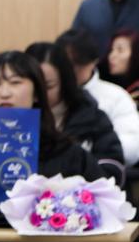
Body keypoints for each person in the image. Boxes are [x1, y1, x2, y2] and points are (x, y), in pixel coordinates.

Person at [0, 51, 104, 225]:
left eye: (15, 82)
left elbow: (98, 209)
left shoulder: (69, 154)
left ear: (36, 94)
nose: (4, 93)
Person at [25, 41, 124, 178]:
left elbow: (113, 168)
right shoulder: (14, 120)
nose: (39, 94)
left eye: (48, 86)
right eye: (35, 86)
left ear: (65, 82)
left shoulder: (91, 116)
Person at [56, 28, 139, 166]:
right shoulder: (49, 94)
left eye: (76, 64)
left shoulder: (116, 96)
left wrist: (89, 152)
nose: (69, 71)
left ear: (93, 61)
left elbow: (133, 147)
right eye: (64, 64)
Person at [99, 29, 139, 107]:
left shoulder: (136, 92)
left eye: (120, 50)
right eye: (111, 50)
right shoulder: (106, 84)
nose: (111, 56)